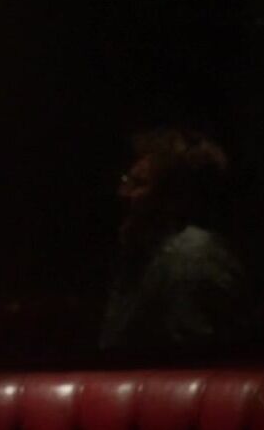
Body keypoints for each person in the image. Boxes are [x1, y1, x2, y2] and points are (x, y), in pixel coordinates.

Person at [99, 127, 246, 352]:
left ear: (173, 198)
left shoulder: (192, 258)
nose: (123, 193)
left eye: (138, 183)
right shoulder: (146, 257)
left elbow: (193, 357)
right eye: (125, 179)